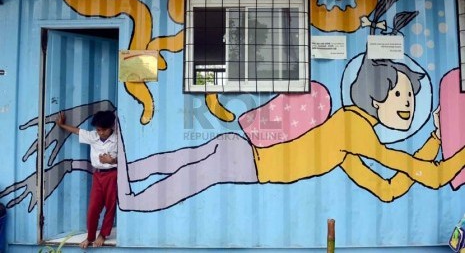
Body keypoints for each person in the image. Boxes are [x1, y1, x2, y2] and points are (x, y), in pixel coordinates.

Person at [115, 57, 465, 212]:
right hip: (247, 163)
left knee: (184, 161)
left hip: (238, 150)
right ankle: (130, 198)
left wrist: (435, 138)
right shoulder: (353, 129)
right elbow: (431, 177)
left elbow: (387, 190)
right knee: (187, 177)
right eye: (402, 94)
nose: (409, 104)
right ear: (376, 95)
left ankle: (128, 173)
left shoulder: (345, 137)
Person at [55, 110, 117, 248]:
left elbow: (124, 159)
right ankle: (90, 237)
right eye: (98, 129)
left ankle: (103, 234)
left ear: (111, 127)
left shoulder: (118, 140)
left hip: (112, 175)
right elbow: (77, 131)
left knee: (111, 206)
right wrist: (62, 125)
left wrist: (112, 161)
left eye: (104, 130)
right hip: (98, 175)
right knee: (93, 208)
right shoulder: (93, 136)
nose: (101, 133)